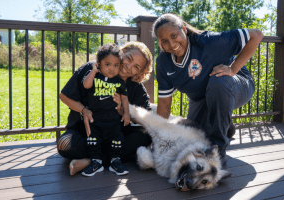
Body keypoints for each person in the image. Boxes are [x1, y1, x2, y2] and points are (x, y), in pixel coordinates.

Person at [153, 14, 263, 169]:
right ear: (159, 43)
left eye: (174, 35)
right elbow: (164, 105)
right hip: (201, 98)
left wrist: (232, 69)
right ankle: (226, 126)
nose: (171, 44)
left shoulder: (208, 41)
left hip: (237, 85)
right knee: (193, 138)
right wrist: (158, 139)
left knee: (219, 80)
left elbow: (256, 35)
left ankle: (217, 156)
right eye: (165, 41)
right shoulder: (163, 63)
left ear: (183, 29)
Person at [57, 41, 153, 175]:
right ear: (122, 52)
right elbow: (64, 96)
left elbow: (147, 118)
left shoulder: (135, 87)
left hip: (115, 135)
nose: (128, 66)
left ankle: (91, 160)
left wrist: (123, 110)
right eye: (129, 58)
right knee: (64, 145)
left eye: (136, 67)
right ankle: (107, 159)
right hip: (86, 132)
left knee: (145, 136)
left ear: (139, 73)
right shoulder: (92, 68)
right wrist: (84, 110)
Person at [81, 44, 130, 176]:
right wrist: (93, 71)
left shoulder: (119, 82)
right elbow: (86, 85)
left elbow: (124, 98)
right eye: (107, 64)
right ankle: (96, 163)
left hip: (114, 120)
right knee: (93, 141)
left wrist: (126, 113)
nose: (112, 69)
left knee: (117, 140)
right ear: (98, 64)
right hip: (95, 120)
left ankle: (116, 162)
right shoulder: (94, 77)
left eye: (116, 65)